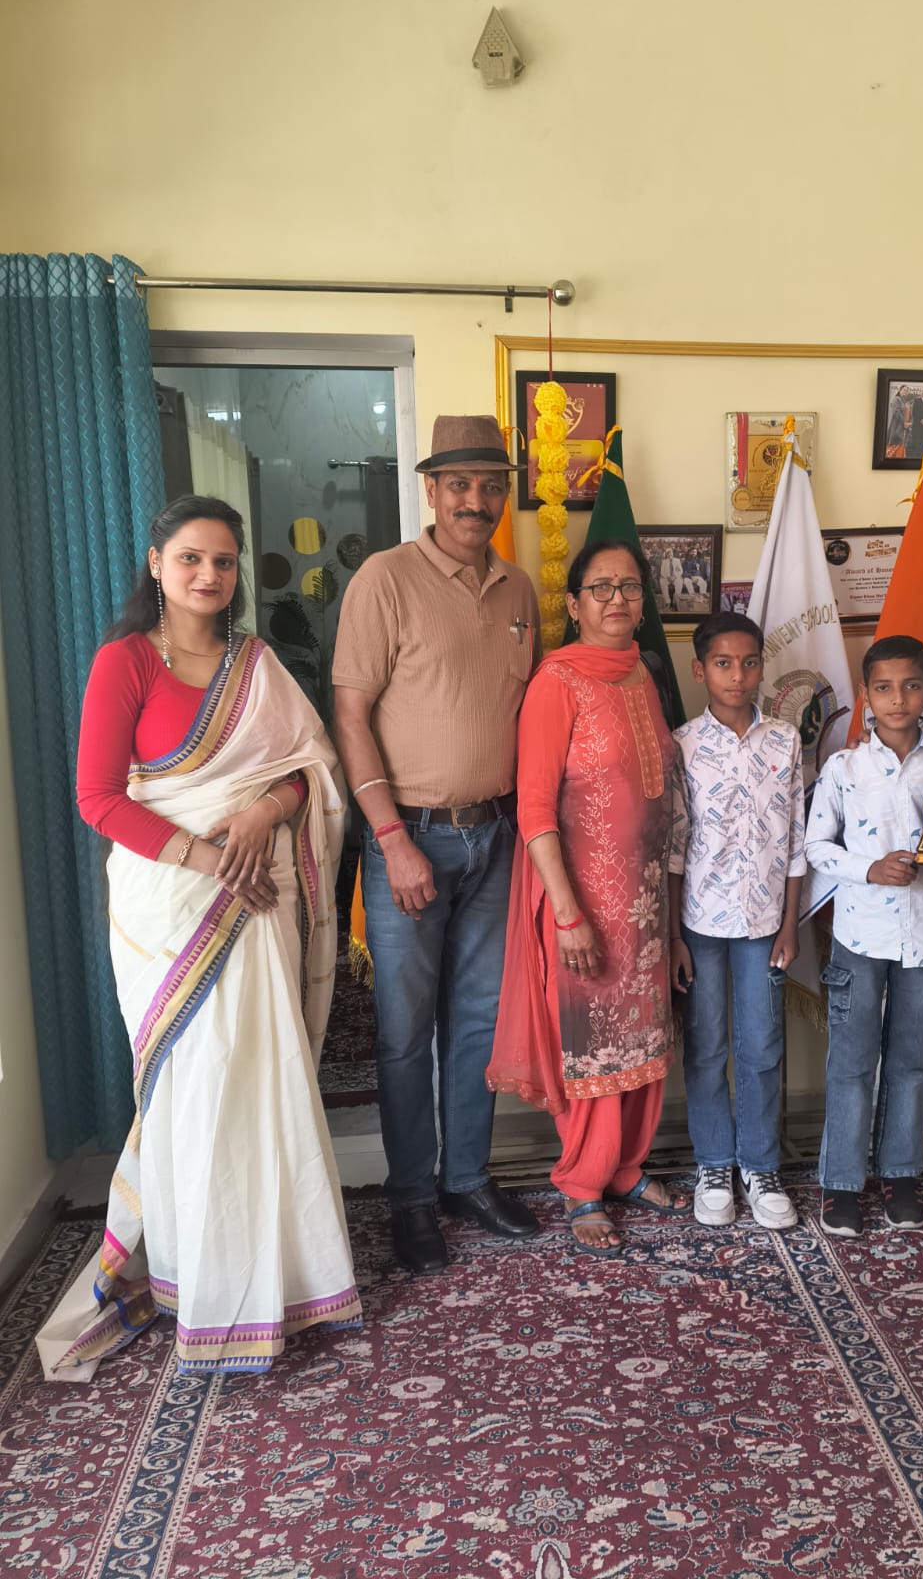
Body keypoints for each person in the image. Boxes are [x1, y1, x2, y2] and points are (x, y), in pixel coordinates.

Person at [38, 496, 361, 1380]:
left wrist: (262, 811)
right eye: (190, 558)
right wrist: (211, 858)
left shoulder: (256, 665)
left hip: (259, 898)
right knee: (199, 1082)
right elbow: (98, 798)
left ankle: (293, 1274)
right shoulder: (125, 662)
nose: (209, 575)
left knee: (265, 1071)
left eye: (223, 561)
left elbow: (312, 768)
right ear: (157, 564)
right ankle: (201, 1278)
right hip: (174, 904)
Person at [332, 416, 541, 1277]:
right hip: (409, 840)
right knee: (405, 1032)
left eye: (491, 485)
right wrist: (391, 839)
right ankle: (411, 1197)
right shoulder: (385, 579)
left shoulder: (519, 589)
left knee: (479, 1021)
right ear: (430, 490)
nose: (475, 501)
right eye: (458, 484)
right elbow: (350, 716)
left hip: (496, 836)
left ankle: (466, 1180)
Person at [488, 540, 688, 1256]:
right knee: (593, 1044)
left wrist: (671, 919)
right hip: (583, 905)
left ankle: (627, 1169)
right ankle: (582, 1182)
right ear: (573, 604)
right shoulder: (558, 682)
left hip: (646, 905)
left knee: (644, 1040)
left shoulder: (643, 673)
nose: (617, 599)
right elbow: (535, 809)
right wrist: (568, 914)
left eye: (629, 586)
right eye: (600, 587)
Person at [804, 635, 923, 1239]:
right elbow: (816, 847)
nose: (899, 699)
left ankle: (901, 1175)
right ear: (866, 695)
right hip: (860, 938)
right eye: (885, 688)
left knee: (912, 1063)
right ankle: (841, 1183)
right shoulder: (844, 768)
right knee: (851, 1063)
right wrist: (869, 868)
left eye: (911, 686)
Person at [668, 613, 805, 1230]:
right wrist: (674, 935)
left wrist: (791, 922)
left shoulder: (784, 740)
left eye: (749, 663)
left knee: (762, 1045)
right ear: (700, 670)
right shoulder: (681, 745)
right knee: (706, 1046)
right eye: (723, 663)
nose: (738, 675)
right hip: (700, 922)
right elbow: (674, 846)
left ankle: (760, 1164)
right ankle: (715, 1164)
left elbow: (796, 837)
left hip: (764, 922)